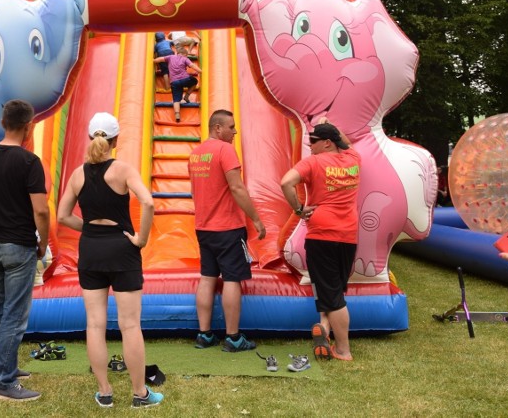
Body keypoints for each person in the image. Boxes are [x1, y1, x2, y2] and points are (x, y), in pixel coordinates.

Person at [56, 112, 162, 409]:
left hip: (90, 249)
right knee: (129, 326)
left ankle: (104, 392)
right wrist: (140, 238)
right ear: (115, 140)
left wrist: (89, 229)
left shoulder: (78, 174)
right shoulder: (123, 170)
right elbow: (149, 202)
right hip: (122, 248)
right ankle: (140, 394)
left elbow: (63, 216)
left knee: (94, 325)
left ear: (91, 138)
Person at [0, 99, 50, 402]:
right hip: (18, 246)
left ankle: (8, 366)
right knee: (15, 315)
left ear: (2, 122)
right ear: (29, 126)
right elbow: (41, 211)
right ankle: (3, 382)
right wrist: (43, 243)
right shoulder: (29, 162)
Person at [280, 119, 360, 362]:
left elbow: (285, 182)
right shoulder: (354, 159)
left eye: (313, 142)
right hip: (348, 235)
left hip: (322, 233)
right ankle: (324, 327)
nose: (309, 146)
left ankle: (343, 350)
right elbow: (345, 141)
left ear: (326, 143)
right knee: (334, 287)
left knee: (332, 294)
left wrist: (298, 209)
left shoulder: (313, 162)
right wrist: (332, 124)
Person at [188, 109, 266, 352]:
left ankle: (204, 334)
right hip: (228, 227)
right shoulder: (225, 150)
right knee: (232, 279)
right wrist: (256, 219)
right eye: (231, 127)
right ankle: (233, 338)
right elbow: (237, 188)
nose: (234, 132)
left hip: (204, 227)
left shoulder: (196, 154)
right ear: (217, 128)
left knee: (208, 277)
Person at [153, 43, 201, 123]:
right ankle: (186, 96)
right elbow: (192, 65)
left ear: (177, 53)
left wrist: (153, 60)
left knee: (176, 100)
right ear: (184, 54)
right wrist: (201, 71)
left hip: (174, 82)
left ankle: (177, 115)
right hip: (185, 79)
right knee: (195, 81)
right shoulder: (185, 58)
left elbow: (159, 59)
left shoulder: (170, 57)